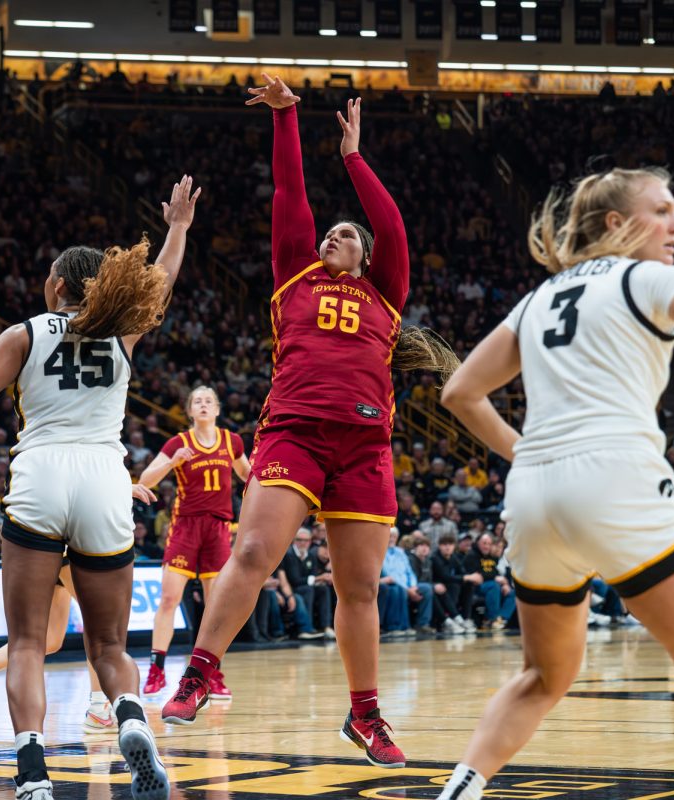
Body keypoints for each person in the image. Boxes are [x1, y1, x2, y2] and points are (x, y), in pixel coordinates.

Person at [435, 166, 674, 799]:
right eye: (663, 210)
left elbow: (459, 391)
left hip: (533, 495)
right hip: (615, 479)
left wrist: (527, 453)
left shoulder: (537, 299)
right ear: (616, 224)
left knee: (542, 676)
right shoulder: (645, 278)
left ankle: (460, 790)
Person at [161, 81, 456, 773]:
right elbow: (290, 196)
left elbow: (393, 224)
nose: (335, 234)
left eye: (347, 233)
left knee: (358, 590)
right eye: (331, 231)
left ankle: (365, 716)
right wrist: (288, 117)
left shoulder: (386, 290)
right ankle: (199, 673)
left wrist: (355, 157)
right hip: (293, 431)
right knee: (255, 552)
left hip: (364, 444)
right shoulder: (295, 274)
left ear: (364, 253)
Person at [0, 176, 200, 800]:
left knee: (29, 641)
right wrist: (179, 229)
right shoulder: (123, 332)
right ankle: (132, 719)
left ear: (56, 285)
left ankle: (32, 777)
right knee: (108, 644)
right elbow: (161, 280)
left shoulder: (25, 333)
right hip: (108, 478)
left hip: (43, 473)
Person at [136, 385, 250, 699]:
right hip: (186, 526)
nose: (202, 405)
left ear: (217, 409)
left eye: (208, 401)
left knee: (216, 605)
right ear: (189, 411)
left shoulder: (233, 441)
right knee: (170, 599)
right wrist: (172, 462)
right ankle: (156, 669)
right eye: (197, 401)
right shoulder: (178, 442)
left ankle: (211, 674)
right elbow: (145, 480)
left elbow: (248, 477)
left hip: (218, 528)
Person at [0, 562, 118, 734]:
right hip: (65, 546)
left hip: (41, 552)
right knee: (97, 615)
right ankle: (98, 709)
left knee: (50, 638)